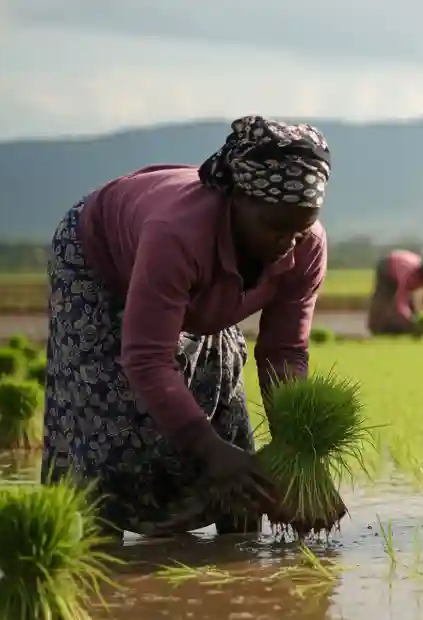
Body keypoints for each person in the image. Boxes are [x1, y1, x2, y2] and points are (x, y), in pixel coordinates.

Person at [42, 115, 331, 538]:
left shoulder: (307, 245)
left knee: (224, 409)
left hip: (203, 283)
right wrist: (208, 451)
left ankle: (238, 548)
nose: (288, 242)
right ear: (237, 199)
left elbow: (284, 351)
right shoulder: (177, 233)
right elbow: (146, 357)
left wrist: (298, 455)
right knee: (108, 418)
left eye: (301, 228)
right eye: (275, 226)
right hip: (98, 261)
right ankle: (101, 557)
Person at [366, 247, 423, 335]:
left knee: (414, 302)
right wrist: (410, 319)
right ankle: (378, 328)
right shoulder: (409, 273)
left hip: (403, 267)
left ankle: (408, 329)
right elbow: (401, 300)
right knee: (384, 298)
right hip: (388, 266)